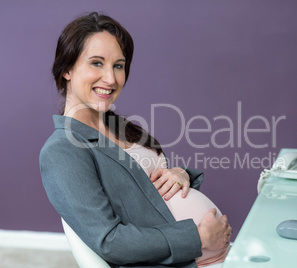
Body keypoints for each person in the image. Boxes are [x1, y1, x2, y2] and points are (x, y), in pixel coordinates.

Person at [40, 12, 231, 268]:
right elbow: (110, 241)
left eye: (118, 66)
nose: (111, 78)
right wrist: (199, 237)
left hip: (219, 255)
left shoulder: (122, 128)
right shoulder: (62, 149)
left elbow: (151, 198)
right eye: (96, 63)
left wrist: (179, 174)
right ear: (67, 69)